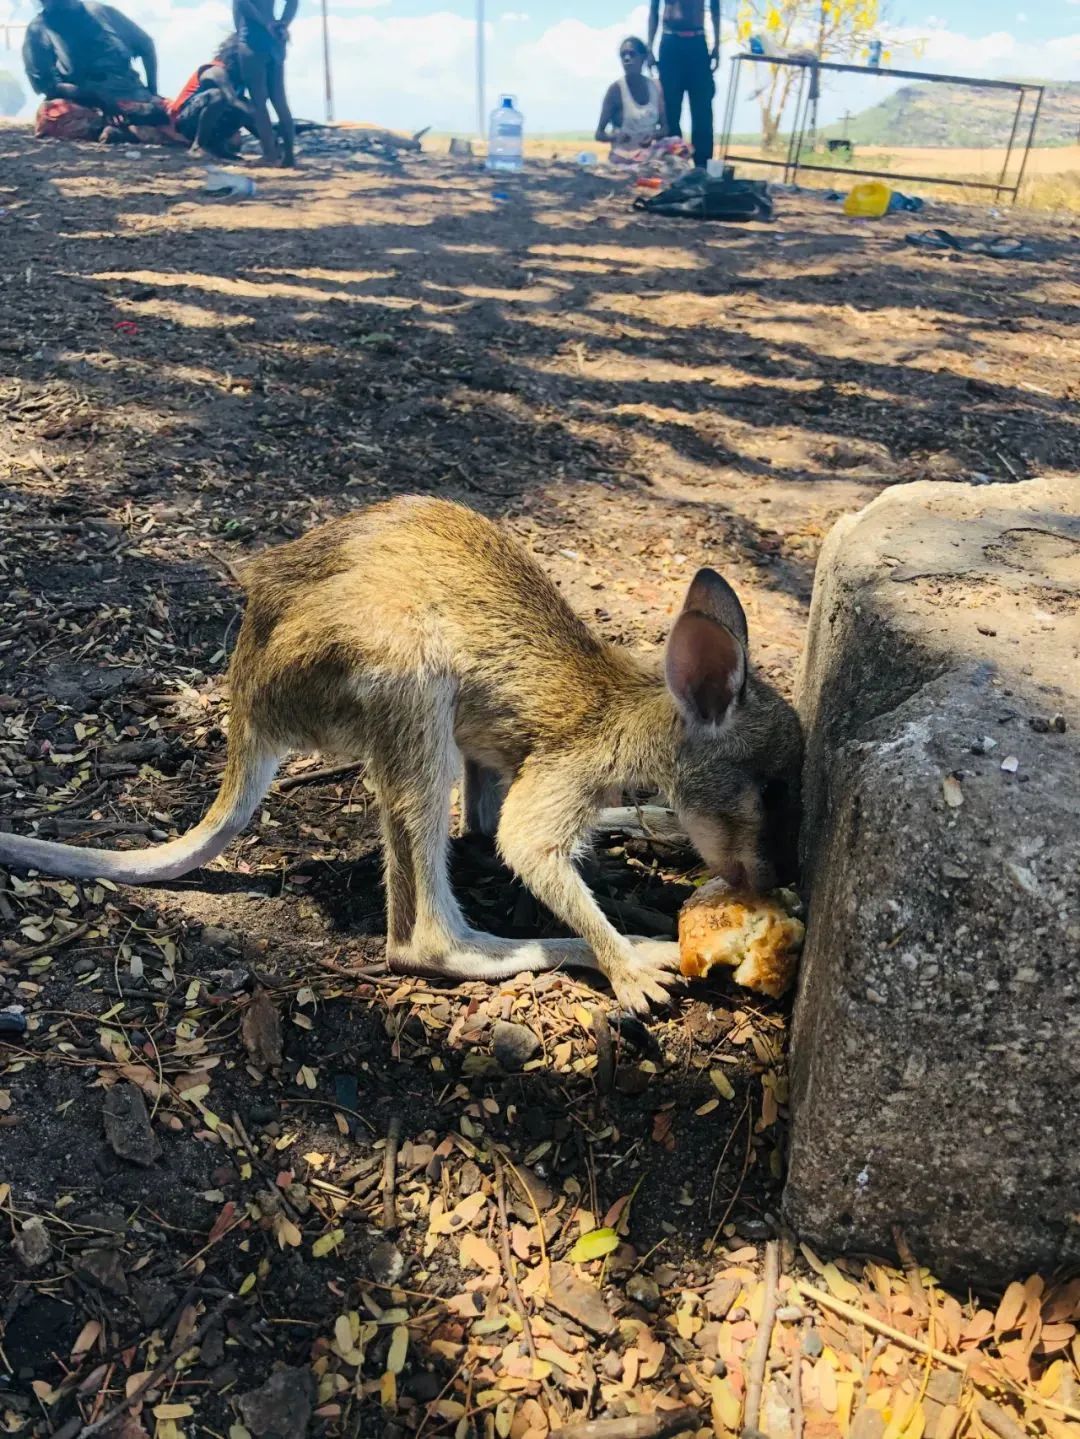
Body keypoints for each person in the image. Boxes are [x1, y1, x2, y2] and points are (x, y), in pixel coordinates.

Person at [22, 0, 179, 143]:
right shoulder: (39, 29)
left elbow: (146, 45)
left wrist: (152, 91)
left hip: (132, 95)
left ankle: (128, 126)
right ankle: (134, 128)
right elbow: (49, 86)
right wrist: (99, 100)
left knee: (178, 114)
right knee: (49, 114)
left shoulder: (103, 11)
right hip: (86, 103)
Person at [647, 0, 721, 169]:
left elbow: (715, 7)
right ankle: (674, 166)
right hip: (670, 43)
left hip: (697, 43)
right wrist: (649, 46)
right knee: (670, 110)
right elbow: (654, 10)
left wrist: (717, 45)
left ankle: (702, 168)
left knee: (702, 109)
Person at [169, 34, 255, 158]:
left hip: (214, 125)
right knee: (218, 96)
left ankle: (217, 146)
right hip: (184, 123)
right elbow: (231, 99)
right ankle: (198, 145)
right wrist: (256, 115)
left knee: (246, 103)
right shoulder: (215, 70)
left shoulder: (240, 79)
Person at [233, 0, 297, 166]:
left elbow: (242, 5)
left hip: (252, 39)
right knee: (280, 100)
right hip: (275, 39)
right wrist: (283, 23)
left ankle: (270, 154)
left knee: (258, 102)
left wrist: (265, 23)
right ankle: (289, 155)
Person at [595, 36, 666, 165]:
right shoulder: (616, 90)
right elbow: (599, 134)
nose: (627, 59)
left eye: (632, 54)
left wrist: (653, 136)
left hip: (649, 156)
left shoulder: (656, 87)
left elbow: (665, 129)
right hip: (623, 156)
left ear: (643, 58)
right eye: (623, 55)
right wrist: (617, 137)